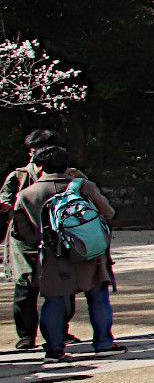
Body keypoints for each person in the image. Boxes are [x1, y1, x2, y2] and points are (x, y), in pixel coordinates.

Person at [10, 145, 121, 360]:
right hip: (89, 253)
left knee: (54, 301)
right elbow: (108, 212)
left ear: (39, 166)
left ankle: (54, 348)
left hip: (53, 256)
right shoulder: (83, 186)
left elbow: (21, 231)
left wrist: (45, 242)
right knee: (98, 298)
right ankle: (104, 342)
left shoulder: (26, 195)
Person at [2, 128, 62, 351]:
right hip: (24, 240)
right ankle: (26, 335)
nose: (36, 155)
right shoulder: (19, 176)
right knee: (25, 289)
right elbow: (4, 201)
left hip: (56, 240)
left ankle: (60, 331)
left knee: (60, 288)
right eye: (33, 150)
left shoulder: (67, 174)